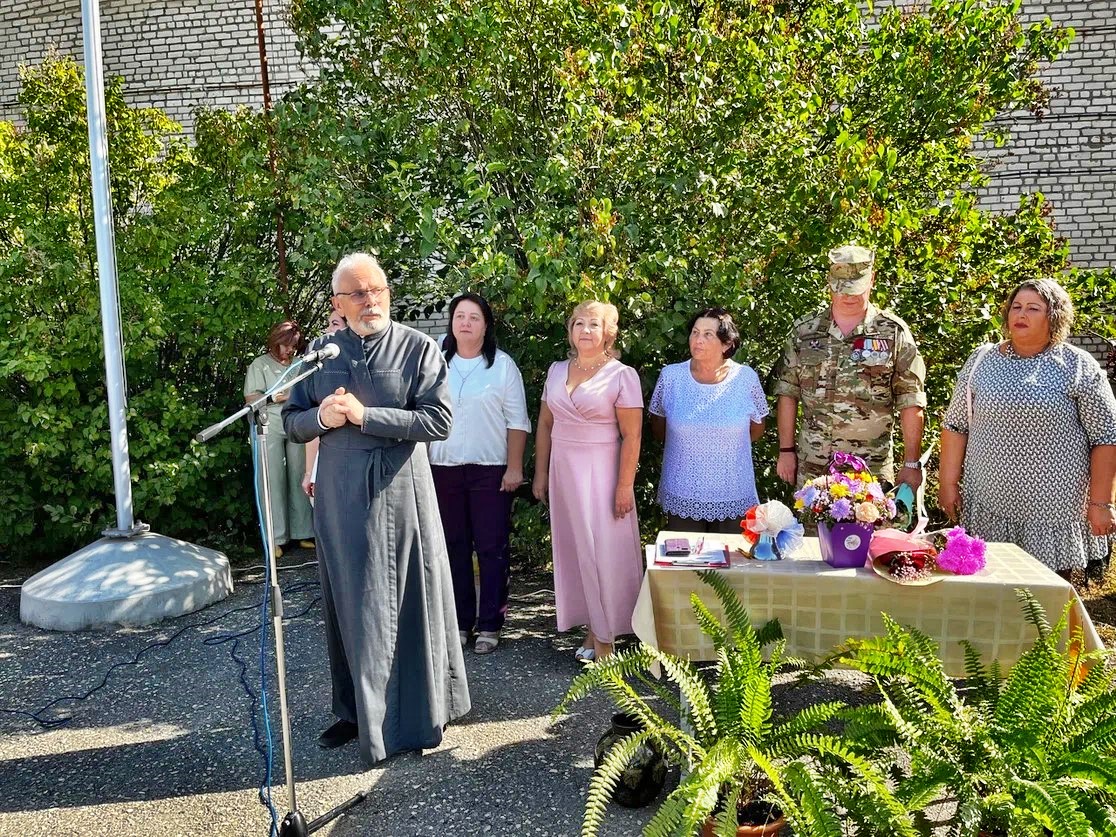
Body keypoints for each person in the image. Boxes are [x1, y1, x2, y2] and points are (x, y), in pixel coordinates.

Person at [283, 252, 470, 763]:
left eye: (378, 290)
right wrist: (321, 418)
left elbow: (438, 422)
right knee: (350, 603)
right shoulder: (320, 355)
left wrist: (366, 416)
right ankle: (355, 713)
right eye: (358, 293)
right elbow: (292, 421)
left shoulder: (417, 348)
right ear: (338, 303)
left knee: (406, 605)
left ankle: (416, 719)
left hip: (401, 494)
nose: (371, 301)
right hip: (341, 498)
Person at [939, 278, 1116, 578]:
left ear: (1054, 316)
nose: (1021, 314)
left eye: (1033, 308)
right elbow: (956, 425)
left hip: (1052, 513)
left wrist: (1101, 503)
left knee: (1045, 595)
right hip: (989, 505)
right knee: (989, 588)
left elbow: (1106, 437)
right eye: (1016, 307)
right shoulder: (981, 360)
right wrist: (948, 484)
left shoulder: (1077, 366)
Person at [532, 301, 643, 663]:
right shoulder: (556, 370)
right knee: (576, 551)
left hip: (602, 472)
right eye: (578, 323)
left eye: (594, 324)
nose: (585, 330)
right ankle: (594, 628)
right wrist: (540, 472)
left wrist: (624, 485)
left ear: (608, 333)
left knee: (602, 554)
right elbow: (545, 424)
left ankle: (606, 641)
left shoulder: (622, 375)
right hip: (564, 471)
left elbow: (632, 436)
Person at [772, 244, 927, 489]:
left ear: (872, 279)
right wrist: (786, 450)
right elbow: (788, 393)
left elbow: (911, 399)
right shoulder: (805, 332)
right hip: (814, 468)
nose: (849, 296)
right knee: (811, 518)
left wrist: (911, 463)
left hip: (870, 470)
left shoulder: (893, 333)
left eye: (856, 288)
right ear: (829, 282)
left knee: (870, 518)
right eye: (841, 288)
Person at [430, 293, 531, 655]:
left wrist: (514, 467)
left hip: (490, 471)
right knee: (453, 548)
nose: (466, 323)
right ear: (451, 322)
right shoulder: (435, 362)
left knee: (491, 548)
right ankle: (459, 621)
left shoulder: (502, 366)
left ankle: (490, 623)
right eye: (460, 316)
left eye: (474, 317)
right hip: (443, 469)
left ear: (486, 325)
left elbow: (517, 421)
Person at [649, 308, 768, 534]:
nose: (698, 340)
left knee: (731, 556)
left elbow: (757, 428)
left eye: (707, 334)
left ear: (726, 344)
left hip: (733, 492)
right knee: (684, 556)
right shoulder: (671, 377)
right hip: (683, 492)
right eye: (695, 332)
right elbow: (658, 427)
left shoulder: (746, 379)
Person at [244, 321, 315, 557]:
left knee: (299, 475)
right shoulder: (260, 364)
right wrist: (279, 396)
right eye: (285, 345)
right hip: (269, 424)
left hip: (296, 422)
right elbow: (251, 398)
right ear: (275, 342)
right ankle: (275, 538)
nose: (289, 350)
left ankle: (303, 532)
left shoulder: (300, 364)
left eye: (293, 346)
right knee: (272, 479)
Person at [302, 308, 347, 501]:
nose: (328, 330)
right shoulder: (322, 370)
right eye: (328, 324)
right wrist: (309, 472)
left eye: (335, 324)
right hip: (327, 465)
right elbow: (312, 428)